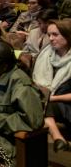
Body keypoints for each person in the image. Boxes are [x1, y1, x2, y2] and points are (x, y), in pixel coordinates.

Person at [33, 19, 71, 152]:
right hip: (49, 102)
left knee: (41, 103)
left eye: (55, 34)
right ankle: (58, 138)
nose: (50, 38)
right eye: (49, 35)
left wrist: (52, 98)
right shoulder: (45, 55)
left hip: (66, 104)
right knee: (36, 103)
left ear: (68, 35)